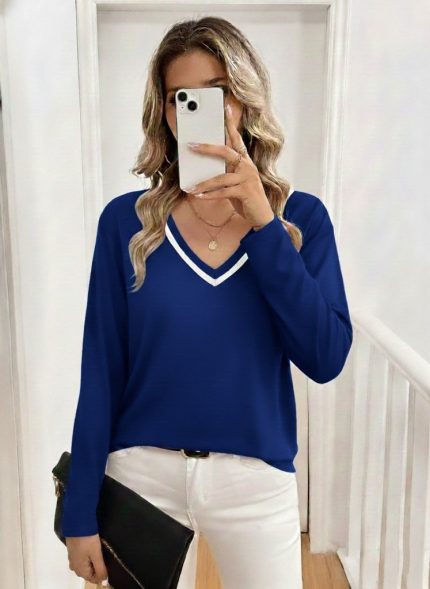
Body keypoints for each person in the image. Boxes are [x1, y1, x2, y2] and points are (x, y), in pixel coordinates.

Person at [61, 15, 353, 589]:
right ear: (166, 115)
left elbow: (325, 358)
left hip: (255, 480)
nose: (201, 111)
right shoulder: (126, 223)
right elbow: (101, 371)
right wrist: (80, 512)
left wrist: (264, 225)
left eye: (218, 92)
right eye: (182, 98)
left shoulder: (302, 220)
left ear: (243, 101)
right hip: (139, 477)